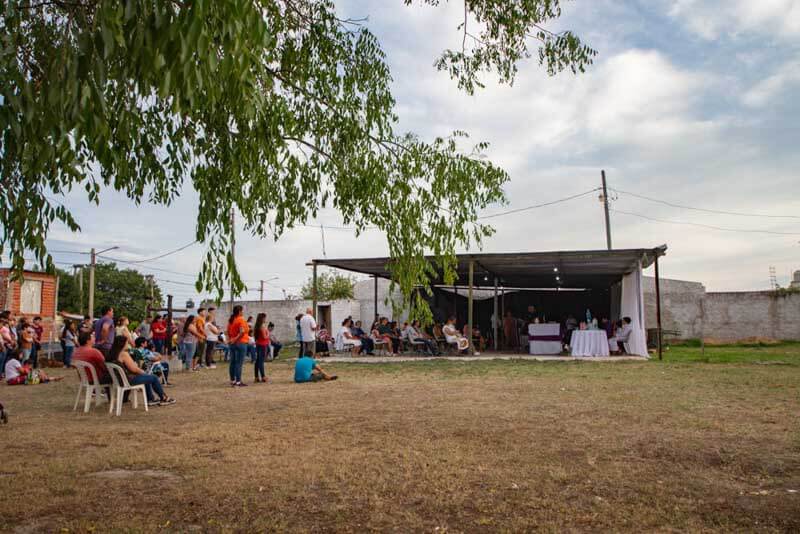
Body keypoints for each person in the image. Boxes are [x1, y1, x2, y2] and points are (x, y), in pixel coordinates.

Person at [108, 335, 175, 405]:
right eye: (127, 343)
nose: (128, 344)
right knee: (153, 377)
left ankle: (151, 399)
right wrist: (142, 372)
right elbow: (134, 369)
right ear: (122, 344)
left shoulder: (113, 354)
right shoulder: (123, 354)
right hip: (128, 380)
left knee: (146, 377)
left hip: (120, 380)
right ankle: (164, 398)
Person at [227, 305, 249, 387]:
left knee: (232, 362)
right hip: (241, 343)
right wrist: (235, 339)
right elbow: (242, 332)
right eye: (242, 310)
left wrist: (231, 339)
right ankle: (238, 381)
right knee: (239, 363)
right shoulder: (241, 319)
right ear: (239, 311)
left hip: (232, 343)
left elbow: (228, 332)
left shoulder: (231, 320)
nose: (243, 312)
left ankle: (232, 380)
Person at [253, 313, 270, 383]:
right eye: (265, 318)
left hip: (258, 344)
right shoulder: (262, 326)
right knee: (261, 361)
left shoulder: (257, 326)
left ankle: (256, 377)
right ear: (262, 319)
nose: (265, 319)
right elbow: (264, 337)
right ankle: (263, 376)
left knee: (257, 361)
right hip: (263, 345)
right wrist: (268, 333)